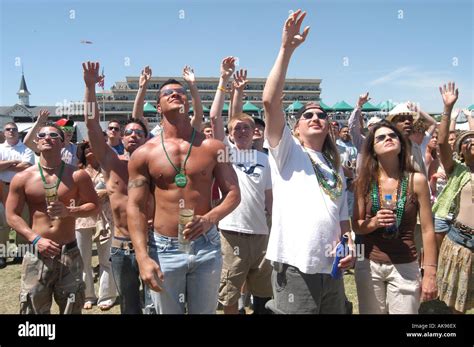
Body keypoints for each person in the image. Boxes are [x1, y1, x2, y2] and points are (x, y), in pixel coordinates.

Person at [262, 10, 354, 314]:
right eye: (307, 115)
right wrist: (286, 49)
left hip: (332, 268)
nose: (316, 117)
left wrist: (351, 244)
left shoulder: (334, 165)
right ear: (296, 127)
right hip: (295, 267)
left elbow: (342, 216)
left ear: (328, 126)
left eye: (321, 115)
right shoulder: (287, 151)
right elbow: (269, 101)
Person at [127, 75, 241, 314]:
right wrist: (142, 257)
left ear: (189, 104)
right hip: (164, 247)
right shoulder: (143, 154)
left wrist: (209, 218)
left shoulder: (214, 148)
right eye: (167, 92)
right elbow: (135, 207)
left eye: (181, 91)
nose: (175, 93)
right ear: (158, 107)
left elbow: (233, 194)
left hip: (206, 244)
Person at [5, 123, 98, 314]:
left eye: (54, 135)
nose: (47, 138)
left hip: (69, 252)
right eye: (42, 135)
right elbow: (11, 215)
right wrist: (35, 239)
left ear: (63, 142)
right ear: (37, 142)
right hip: (36, 253)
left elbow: (94, 206)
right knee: (33, 308)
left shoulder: (77, 175)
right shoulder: (22, 178)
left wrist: (69, 211)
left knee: (72, 307)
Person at [83, 61, 150, 314]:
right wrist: (90, 86)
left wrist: (142, 90)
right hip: (121, 246)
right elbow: (91, 124)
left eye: (139, 133)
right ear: (121, 138)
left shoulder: (155, 166)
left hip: (154, 244)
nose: (133, 135)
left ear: (146, 140)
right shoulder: (111, 163)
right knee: (130, 308)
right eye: (128, 132)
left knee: (157, 305)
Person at [353, 121, 438, 314]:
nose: (388, 139)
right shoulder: (363, 181)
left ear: (401, 144)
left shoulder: (416, 180)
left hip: (405, 263)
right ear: (373, 149)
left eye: (392, 136)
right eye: (380, 137)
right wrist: (373, 223)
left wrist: (430, 272)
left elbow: (427, 229)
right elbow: (356, 226)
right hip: (367, 263)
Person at [210, 60, 273, 314]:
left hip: (261, 235)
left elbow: (270, 198)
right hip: (231, 232)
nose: (243, 131)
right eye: (237, 128)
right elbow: (215, 117)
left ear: (255, 131)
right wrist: (224, 82)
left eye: (248, 127)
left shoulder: (264, 159)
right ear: (230, 133)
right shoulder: (226, 153)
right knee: (230, 295)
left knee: (263, 293)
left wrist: (276, 226)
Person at [434, 82, 473, 314]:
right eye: (467, 140)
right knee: (456, 305)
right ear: (460, 150)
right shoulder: (456, 170)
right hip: (460, 243)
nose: (472, 141)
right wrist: (447, 109)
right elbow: (440, 143)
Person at [75, 141, 117, 311]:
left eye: (93, 146)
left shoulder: (109, 168)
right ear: (83, 152)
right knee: (82, 259)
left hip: (105, 217)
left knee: (106, 258)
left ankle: (107, 295)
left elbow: (120, 188)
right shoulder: (77, 172)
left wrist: (106, 191)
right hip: (81, 219)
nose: (90, 149)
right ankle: (87, 295)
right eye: (86, 148)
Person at [0, 121, 35, 269]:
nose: (11, 131)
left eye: (14, 129)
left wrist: (5, 165)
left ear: (18, 132)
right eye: (8, 129)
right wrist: (15, 162)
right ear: (4, 132)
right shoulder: (0, 148)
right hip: (3, 188)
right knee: (3, 223)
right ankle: (2, 254)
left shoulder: (25, 148)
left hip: (21, 189)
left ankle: (21, 252)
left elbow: (27, 166)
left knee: (22, 219)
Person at [386, 103, 426, 175]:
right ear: (393, 124)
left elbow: (423, 175)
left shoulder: (416, 147)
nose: (407, 122)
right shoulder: (388, 147)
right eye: (402, 119)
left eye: (410, 119)